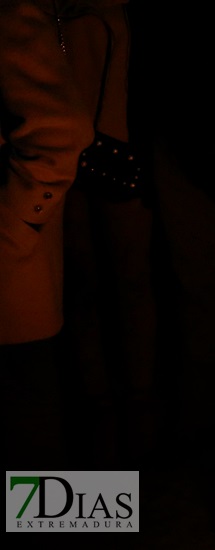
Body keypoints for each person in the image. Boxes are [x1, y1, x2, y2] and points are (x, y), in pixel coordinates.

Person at [50, 0, 159, 470]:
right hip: (67, 165)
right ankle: (111, 429)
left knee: (121, 289)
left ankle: (131, 426)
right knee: (87, 291)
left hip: (111, 161)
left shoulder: (105, 13)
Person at [1, 0, 95, 470]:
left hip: (9, 286)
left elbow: (62, 132)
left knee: (32, 456)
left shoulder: (8, 14)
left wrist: (15, 227)